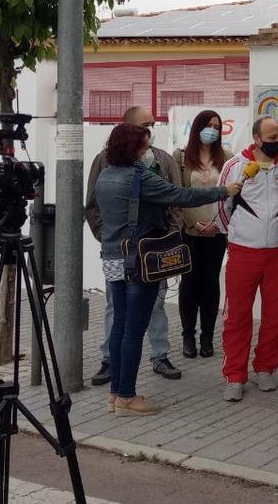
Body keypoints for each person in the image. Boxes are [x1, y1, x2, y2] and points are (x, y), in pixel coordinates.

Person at [95, 124, 237, 416]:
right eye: (145, 147)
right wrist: (225, 191)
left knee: (120, 326)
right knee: (134, 331)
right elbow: (183, 196)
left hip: (112, 258)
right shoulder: (139, 178)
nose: (148, 152)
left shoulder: (105, 176)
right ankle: (126, 397)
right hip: (138, 260)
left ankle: (115, 394)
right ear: (133, 149)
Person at [85, 106, 186, 385]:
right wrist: (107, 236)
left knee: (156, 303)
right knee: (116, 309)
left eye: (152, 125)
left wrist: (170, 237)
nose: (149, 131)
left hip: (154, 250)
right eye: (144, 126)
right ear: (128, 129)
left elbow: (175, 200)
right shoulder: (105, 162)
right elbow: (92, 205)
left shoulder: (164, 160)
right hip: (120, 252)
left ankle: (160, 355)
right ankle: (110, 362)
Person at [216, 116, 278, 402]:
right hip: (243, 252)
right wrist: (235, 236)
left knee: (275, 316)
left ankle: (265, 367)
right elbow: (222, 208)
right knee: (237, 316)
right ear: (257, 138)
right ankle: (235, 375)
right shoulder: (234, 166)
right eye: (272, 137)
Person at [174, 110, 229, 359]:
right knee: (190, 284)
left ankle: (207, 336)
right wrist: (194, 224)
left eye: (217, 126)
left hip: (217, 231)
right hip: (190, 231)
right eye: (208, 125)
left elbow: (229, 195)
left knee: (210, 283)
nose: (212, 130)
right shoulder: (181, 157)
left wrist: (217, 224)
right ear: (197, 128)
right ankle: (188, 336)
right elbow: (177, 195)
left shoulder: (226, 157)